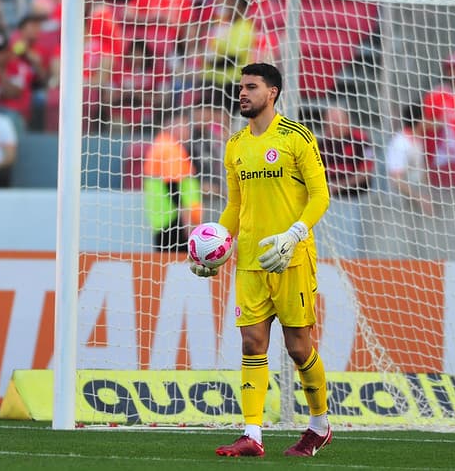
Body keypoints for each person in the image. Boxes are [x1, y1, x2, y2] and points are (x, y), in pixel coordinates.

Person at [189, 63, 332, 458]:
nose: (242, 93)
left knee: (298, 348)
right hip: (250, 260)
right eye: (241, 87)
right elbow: (235, 205)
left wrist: (294, 233)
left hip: (291, 257)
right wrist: (214, 248)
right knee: (252, 343)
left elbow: (320, 195)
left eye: (251, 87)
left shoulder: (296, 137)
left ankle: (319, 425)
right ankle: (252, 434)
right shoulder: (235, 144)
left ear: (272, 92)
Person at [318, 102, 375, 257]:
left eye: (336, 121)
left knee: (352, 248)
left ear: (347, 121)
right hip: (329, 204)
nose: (332, 125)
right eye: (329, 121)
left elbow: (366, 172)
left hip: (356, 202)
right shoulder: (320, 145)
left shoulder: (361, 140)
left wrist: (338, 186)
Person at [142, 112, 203, 252]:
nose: (188, 130)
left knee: (165, 259)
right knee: (180, 260)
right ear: (171, 125)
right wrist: (186, 218)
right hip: (174, 219)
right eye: (184, 126)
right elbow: (172, 185)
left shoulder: (160, 144)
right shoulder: (170, 149)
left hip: (162, 218)